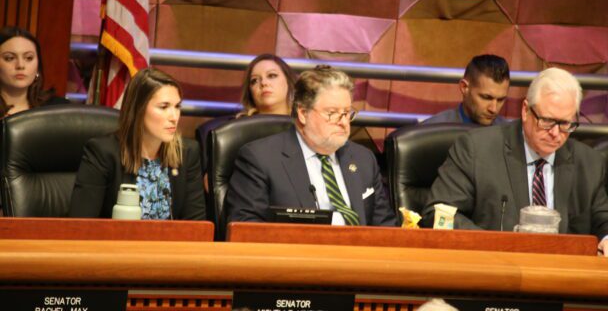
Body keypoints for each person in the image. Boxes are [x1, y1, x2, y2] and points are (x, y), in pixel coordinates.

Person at [421, 67, 608, 256]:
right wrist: (494, 244)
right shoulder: (477, 150)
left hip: (562, 279)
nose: (555, 133)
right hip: (495, 274)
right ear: (526, 110)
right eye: (547, 121)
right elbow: (438, 212)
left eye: (565, 124)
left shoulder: (588, 162)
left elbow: (606, 219)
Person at [226, 65, 397, 226]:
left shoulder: (363, 159)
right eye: (332, 113)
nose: (344, 122)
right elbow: (245, 227)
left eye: (346, 113)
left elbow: (385, 228)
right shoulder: (260, 158)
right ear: (303, 113)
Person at [70, 68, 206, 220]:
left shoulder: (187, 153)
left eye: (177, 107)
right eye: (164, 107)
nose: (174, 117)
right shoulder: (103, 153)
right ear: (138, 109)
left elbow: (196, 226)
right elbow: (81, 225)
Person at [0, 26, 68, 117]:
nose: (20, 65)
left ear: (38, 66)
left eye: (29, 58)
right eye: (9, 58)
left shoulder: (59, 109)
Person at [422, 54, 510, 126]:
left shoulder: (511, 136)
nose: (493, 109)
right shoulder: (431, 131)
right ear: (464, 87)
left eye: (500, 100)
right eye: (486, 97)